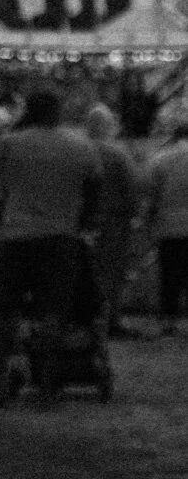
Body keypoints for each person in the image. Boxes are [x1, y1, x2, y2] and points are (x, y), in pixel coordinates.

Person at [0, 87, 101, 406]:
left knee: (5, 313)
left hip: (15, 237)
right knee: (53, 312)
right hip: (60, 238)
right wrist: (81, 224)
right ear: (57, 112)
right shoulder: (80, 147)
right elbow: (93, 192)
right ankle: (48, 385)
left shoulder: (8, 145)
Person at [83, 103, 140, 337]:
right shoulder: (118, 155)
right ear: (109, 127)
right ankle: (112, 319)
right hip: (114, 223)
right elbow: (131, 189)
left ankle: (88, 320)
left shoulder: (80, 150)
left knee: (88, 273)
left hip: (84, 222)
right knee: (113, 274)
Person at [144, 118, 188, 335]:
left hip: (169, 224)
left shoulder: (160, 159)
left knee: (170, 275)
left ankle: (169, 320)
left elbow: (151, 194)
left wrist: (149, 222)